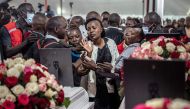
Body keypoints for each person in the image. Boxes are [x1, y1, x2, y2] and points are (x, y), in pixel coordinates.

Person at [80, 18, 120, 109]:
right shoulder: (87, 45)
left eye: (94, 28)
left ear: (101, 29)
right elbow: (84, 69)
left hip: (111, 86)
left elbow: (117, 63)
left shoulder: (110, 42)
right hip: (95, 89)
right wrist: (89, 53)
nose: (91, 31)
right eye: (88, 29)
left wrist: (112, 68)